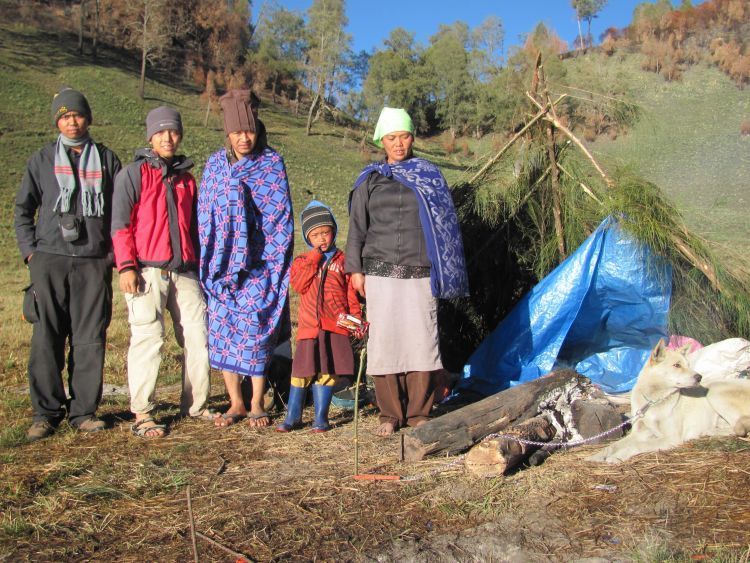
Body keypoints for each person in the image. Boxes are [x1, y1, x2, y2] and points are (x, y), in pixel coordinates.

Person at [345, 107, 469, 436]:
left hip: (421, 270)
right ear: (380, 141)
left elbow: (445, 227)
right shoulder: (369, 179)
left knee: (421, 339)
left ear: (412, 137)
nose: (398, 144)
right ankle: (390, 413)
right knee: (385, 341)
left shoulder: (429, 176)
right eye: (390, 137)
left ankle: (419, 412)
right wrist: (355, 269)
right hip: (379, 270)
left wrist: (444, 267)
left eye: (403, 136)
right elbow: (357, 227)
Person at [15, 88, 121, 441]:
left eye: (76, 115)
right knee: (46, 337)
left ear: (87, 118)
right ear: (56, 122)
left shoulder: (107, 160)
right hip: (50, 261)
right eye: (63, 116)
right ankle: (45, 414)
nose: (71, 122)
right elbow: (22, 210)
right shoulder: (42, 160)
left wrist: (112, 256)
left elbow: (120, 213)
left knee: (90, 338)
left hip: (93, 262)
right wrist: (31, 251)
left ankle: (84, 412)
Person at [111, 106, 216, 438]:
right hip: (146, 270)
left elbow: (195, 227)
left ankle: (196, 405)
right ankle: (143, 412)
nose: (168, 138)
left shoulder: (187, 179)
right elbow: (120, 226)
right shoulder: (133, 174)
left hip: (186, 271)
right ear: (150, 136)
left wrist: (200, 267)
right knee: (148, 338)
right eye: (161, 132)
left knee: (198, 337)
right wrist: (126, 266)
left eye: (173, 132)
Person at [198, 89, 294, 428]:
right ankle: (234, 402)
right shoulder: (214, 167)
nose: (244, 138)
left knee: (255, 330)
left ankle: (256, 401)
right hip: (222, 268)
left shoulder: (271, 164)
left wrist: (270, 263)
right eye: (237, 132)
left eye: (249, 131)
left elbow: (280, 217)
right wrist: (219, 257)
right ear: (227, 133)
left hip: (260, 267)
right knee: (224, 329)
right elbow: (205, 215)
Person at [276, 201, 362, 433]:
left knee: (328, 371)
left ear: (333, 231)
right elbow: (299, 285)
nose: (321, 238)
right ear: (308, 238)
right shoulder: (303, 261)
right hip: (309, 328)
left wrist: (355, 317)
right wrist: (314, 257)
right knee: (301, 372)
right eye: (315, 235)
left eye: (325, 232)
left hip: (334, 326)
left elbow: (350, 292)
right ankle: (293, 416)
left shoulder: (343, 261)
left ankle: (320, 419)